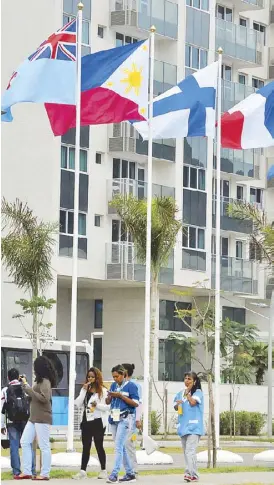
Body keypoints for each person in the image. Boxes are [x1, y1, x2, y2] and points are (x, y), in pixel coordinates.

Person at [16, 355, 57, 481]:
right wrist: (26, 385)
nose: (34, 369)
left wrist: (28, 388)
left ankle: (45, 473)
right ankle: (27, 471)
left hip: (42, 417)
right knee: (24, 441)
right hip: (34, 418)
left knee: (44, 446)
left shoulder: (45, 381)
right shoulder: (39, 381)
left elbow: (45, 398)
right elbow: (34, 396)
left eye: (35, 367)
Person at [73, 367, 109, 480]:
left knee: (99, 446)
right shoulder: (85, 389)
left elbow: (108, 407)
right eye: (89, 376)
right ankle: (83, 471)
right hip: (86, 420)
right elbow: (77, 403)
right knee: (86, 447)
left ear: (97, 377)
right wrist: (83, 390)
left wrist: (96, 405)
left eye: (92, 377)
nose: (90, 378)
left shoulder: (102, 390)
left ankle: (103, 470)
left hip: (97, 421)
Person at [106, 365, 139, 483]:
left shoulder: (131, 386)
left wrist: (121, 396)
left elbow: (135, 403)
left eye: (117, 376)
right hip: (114, 418)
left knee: (118, 446)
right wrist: (110, 395)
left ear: (123, 374)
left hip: (125, 418)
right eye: (113, 377)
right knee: (121, 446)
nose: (115, 379)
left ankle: (114, 474)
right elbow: (107, 401)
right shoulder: (114, 385)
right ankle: (130, 473)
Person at [1, 368, 35, 478]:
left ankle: (16, 471)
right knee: (28, 445)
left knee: (14, 446)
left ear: (8, 377)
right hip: (25, 421)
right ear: (18, 377)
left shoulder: (5, 390)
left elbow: (2, 409)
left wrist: (2, 425)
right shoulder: (24, 387)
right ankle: (32, 470)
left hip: (12, 422)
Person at [174, 371, 204, 483]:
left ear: (194, 381)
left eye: (189, 379)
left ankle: (193, 474)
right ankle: (189, 473)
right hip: (183, 426)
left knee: (190, 451)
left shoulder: (198, 392)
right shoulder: (180, 393)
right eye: (185, 378)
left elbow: (192, 403)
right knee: (186, 452)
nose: (186, 380)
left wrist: (188, 394)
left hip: (194, 427)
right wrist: (178, 404)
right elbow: (176, 407)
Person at [121, 363, 142, 477]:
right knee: (122, 444)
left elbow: (139, 403)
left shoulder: (135, 385)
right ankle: (127, 468)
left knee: (129, 443)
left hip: (132, 419)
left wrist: (138, 419)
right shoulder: (121, 384)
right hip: (121, 419)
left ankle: (133, 468)